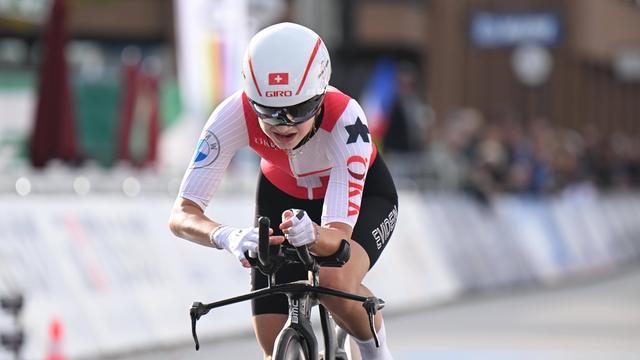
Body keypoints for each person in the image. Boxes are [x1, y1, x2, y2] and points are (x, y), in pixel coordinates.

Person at [169, 22, 398, 360]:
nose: (284, 125)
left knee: (335, 284)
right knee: (269, 341)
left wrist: (317, 234)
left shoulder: (347, 122)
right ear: (251, 99)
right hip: (282, 196)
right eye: (269, 113)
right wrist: (227, 236)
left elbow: (339, 239)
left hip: (366, 198)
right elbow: (182, 214)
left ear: (320, 98)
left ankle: (376, 353)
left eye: (299, 110)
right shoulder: (233, 114)